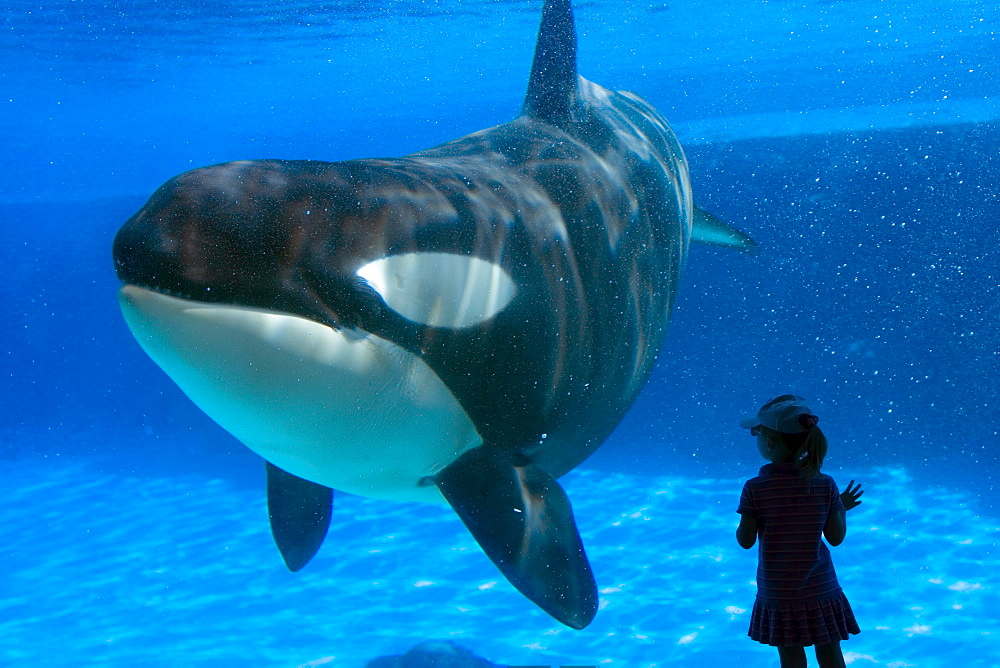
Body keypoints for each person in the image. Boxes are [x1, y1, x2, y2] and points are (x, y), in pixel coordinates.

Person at [736, 395, 864, 668]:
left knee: (791, 657)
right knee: (830, 653)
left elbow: (745, 541)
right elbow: (835, 538)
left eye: (757, 434)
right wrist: (839, 506)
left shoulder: (754, 488)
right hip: (821, 586)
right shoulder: (824, 484)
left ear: (768, 442)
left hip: (779, 589)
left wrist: (751, 516)